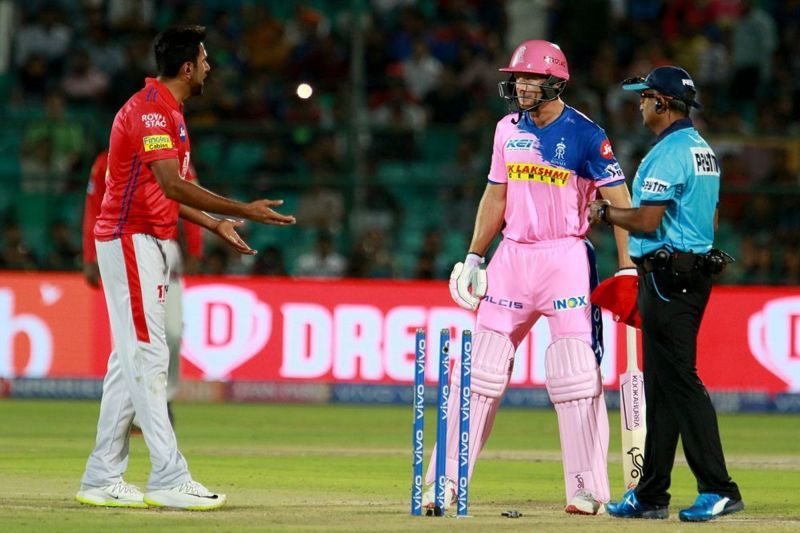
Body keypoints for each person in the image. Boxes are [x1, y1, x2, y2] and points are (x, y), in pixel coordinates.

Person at [75, 25, 296, 511]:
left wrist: (216, 223)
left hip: (143, 238)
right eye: (205, 58)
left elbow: (163, 191)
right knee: (149, 358)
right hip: (129, 239)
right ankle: (168, 477)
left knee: (127, 361)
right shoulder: (153, 111)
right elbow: (173, 186)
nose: (210, 66)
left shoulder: (164, 108)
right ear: (187, 68)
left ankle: (101, 476)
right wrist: (243, 208)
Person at [423, 39, 635, 516]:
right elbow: (495, 196)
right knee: (480, 373)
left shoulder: (586, 134)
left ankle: (588, 490)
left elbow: (620, 202)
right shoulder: (506, 130)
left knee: (576, 377)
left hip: (565, 259)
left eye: (530, 79)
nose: (520, 86)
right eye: (517, 78)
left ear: (555, 82)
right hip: (512, 257)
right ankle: (445, 485)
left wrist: (626, 268)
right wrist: (475, 256)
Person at [588, 66, 743, 522]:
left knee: (680, 381)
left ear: (661, 102)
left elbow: (647, 222)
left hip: (667, 277)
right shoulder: (703, 151)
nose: (638, 106)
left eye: (644, 98)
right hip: (690, 273)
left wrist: (605, 211)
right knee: (661, 387)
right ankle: (651, 494)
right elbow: (710, 221)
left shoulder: (667, 154)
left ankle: (719, 488)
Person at [82, 149, 204, 427]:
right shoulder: (105, 161)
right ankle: (133, 408)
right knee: (129, 333)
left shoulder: (175, 156)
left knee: (171, 331)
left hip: (165, 248)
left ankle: (164, 398)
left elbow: (192, 197)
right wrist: (90, 256)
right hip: (123, 247)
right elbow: (93, 207)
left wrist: (195, 248)